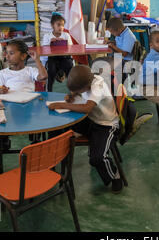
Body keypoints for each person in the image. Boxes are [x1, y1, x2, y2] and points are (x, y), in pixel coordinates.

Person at [47, 65, 124, 194]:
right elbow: (78, 91)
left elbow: (87, 108)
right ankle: (52, 160)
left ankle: (115, 176)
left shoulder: (97, 86)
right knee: (58, 128)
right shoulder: (87, 79)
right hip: (91, 120)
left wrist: (63, 104)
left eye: (79, 90)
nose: (78, 92)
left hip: (106, 125)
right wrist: (71, 95)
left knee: (97, 158)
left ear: (87, 86)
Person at [40, 13, 73, 91]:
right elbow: (44, 50)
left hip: (65, 58)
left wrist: (65, 43)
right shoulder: (47, 36)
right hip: (52, 59)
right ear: (52, 25)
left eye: (62, 25)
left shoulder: (66, 35)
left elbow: (72, 48)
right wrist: (50, 43)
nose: (61, 27)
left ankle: (73, 89)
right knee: (51, 69)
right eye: (58, 25)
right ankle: (49, 90)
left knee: (70, 67)